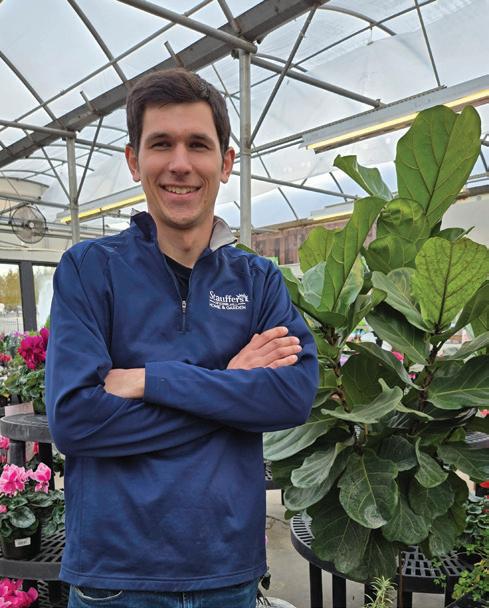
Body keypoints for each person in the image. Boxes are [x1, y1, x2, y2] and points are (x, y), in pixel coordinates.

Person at [45, 68, 318, 608]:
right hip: (115, 576)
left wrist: (149, 380)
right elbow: (75, 420)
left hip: (227, 569)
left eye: (197, 144)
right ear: (133, 161)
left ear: (226, 162)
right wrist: (231, 384)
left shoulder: (257, 280)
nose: (179, 163)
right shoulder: (89, 270)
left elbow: (291, 396)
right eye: (160, 144)